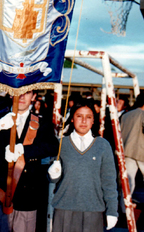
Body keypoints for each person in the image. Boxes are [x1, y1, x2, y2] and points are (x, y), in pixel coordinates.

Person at [0, 90, 59, 232]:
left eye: (27, 93)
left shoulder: (41, 122)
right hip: (0, 192)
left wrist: (25, 151)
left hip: (27, 194)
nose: (21, 97)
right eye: (18, 92)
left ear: (34, 96)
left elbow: (53, 147)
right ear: (11, 94)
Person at [48, 99, 118, 232]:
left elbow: (109, 182)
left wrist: (112, 210)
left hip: (93, 211)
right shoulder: (61, 144)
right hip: (64, 210)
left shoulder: (102, 146)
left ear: (93, 121)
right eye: (79, 116)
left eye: (88, 117)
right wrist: (52, 174)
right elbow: (53, 179)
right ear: (72, 119)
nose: (84, 121)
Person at [120, 93, 144, 211]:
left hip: (127, 150)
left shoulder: (126, 115)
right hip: (142, 151)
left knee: (128, 179)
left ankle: (124, 206)